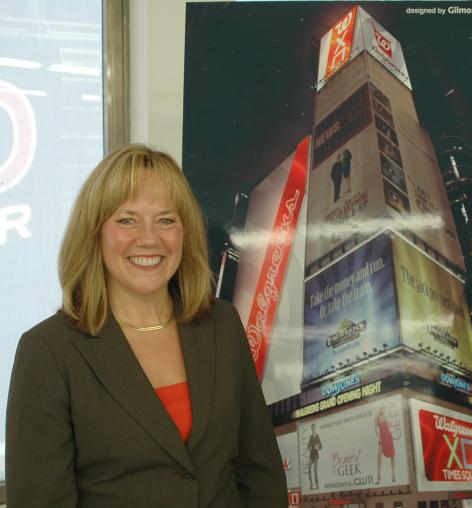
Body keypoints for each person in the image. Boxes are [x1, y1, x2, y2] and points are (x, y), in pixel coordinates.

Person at [6, 144, 288, 507]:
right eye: (127, 220)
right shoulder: (48, 352)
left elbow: (260, 473)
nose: (149, 239)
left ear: (184, 232)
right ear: (95, 233)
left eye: (166, 220)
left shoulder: (221, 325)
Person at [374, 406, 395, 484]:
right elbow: (375, 429)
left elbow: (389, 427)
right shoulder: (376, 418)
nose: (382, 409)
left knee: (392, 455)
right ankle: (378, 477)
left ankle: (393, 474)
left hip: (388, 437)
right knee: (379, 457)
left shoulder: (386, 417)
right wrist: (379, 438)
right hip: (382, 438)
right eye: (381, 408)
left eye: (383, 408)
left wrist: (391, 432)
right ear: (379, 409)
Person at [307, 423, 322, 490]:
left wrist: (318, 447)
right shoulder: (310, 437)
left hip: (316, 456)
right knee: (309, 467)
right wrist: (309, 447)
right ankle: (311, 484)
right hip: (311, 456)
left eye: (314, 428)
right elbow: (308, 446)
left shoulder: (317, 436)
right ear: (311, 429)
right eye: (312, 428)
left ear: (315, 428)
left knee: (315, 470)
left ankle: (317, 484)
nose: (313, 429)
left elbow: (321, 446)